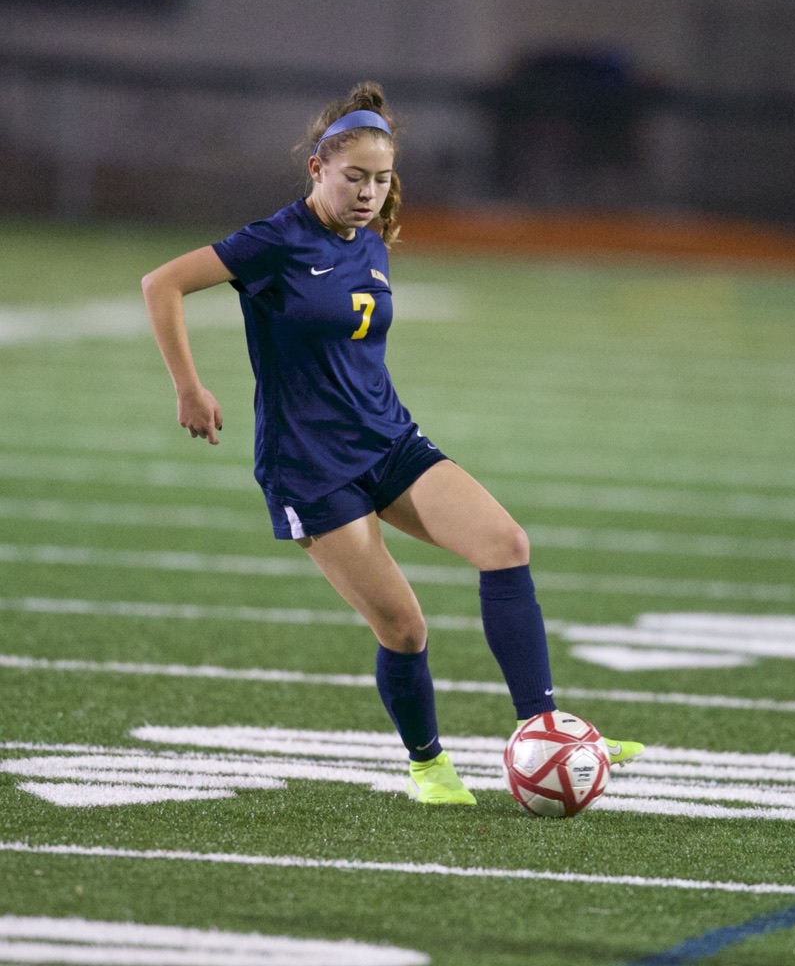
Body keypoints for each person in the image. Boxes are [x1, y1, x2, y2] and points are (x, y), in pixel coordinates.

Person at [142, 81, 644, 806]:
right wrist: (189, 387)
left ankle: (546, 729)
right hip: (312, 468)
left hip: (389, 441)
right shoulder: (275, 240)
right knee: (404, 628)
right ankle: (427, 764)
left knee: (506, 544)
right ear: (316, 168)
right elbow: (160, 284)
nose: (369, 193)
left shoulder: (372, 241)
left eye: (381, 180)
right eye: (355, 177)